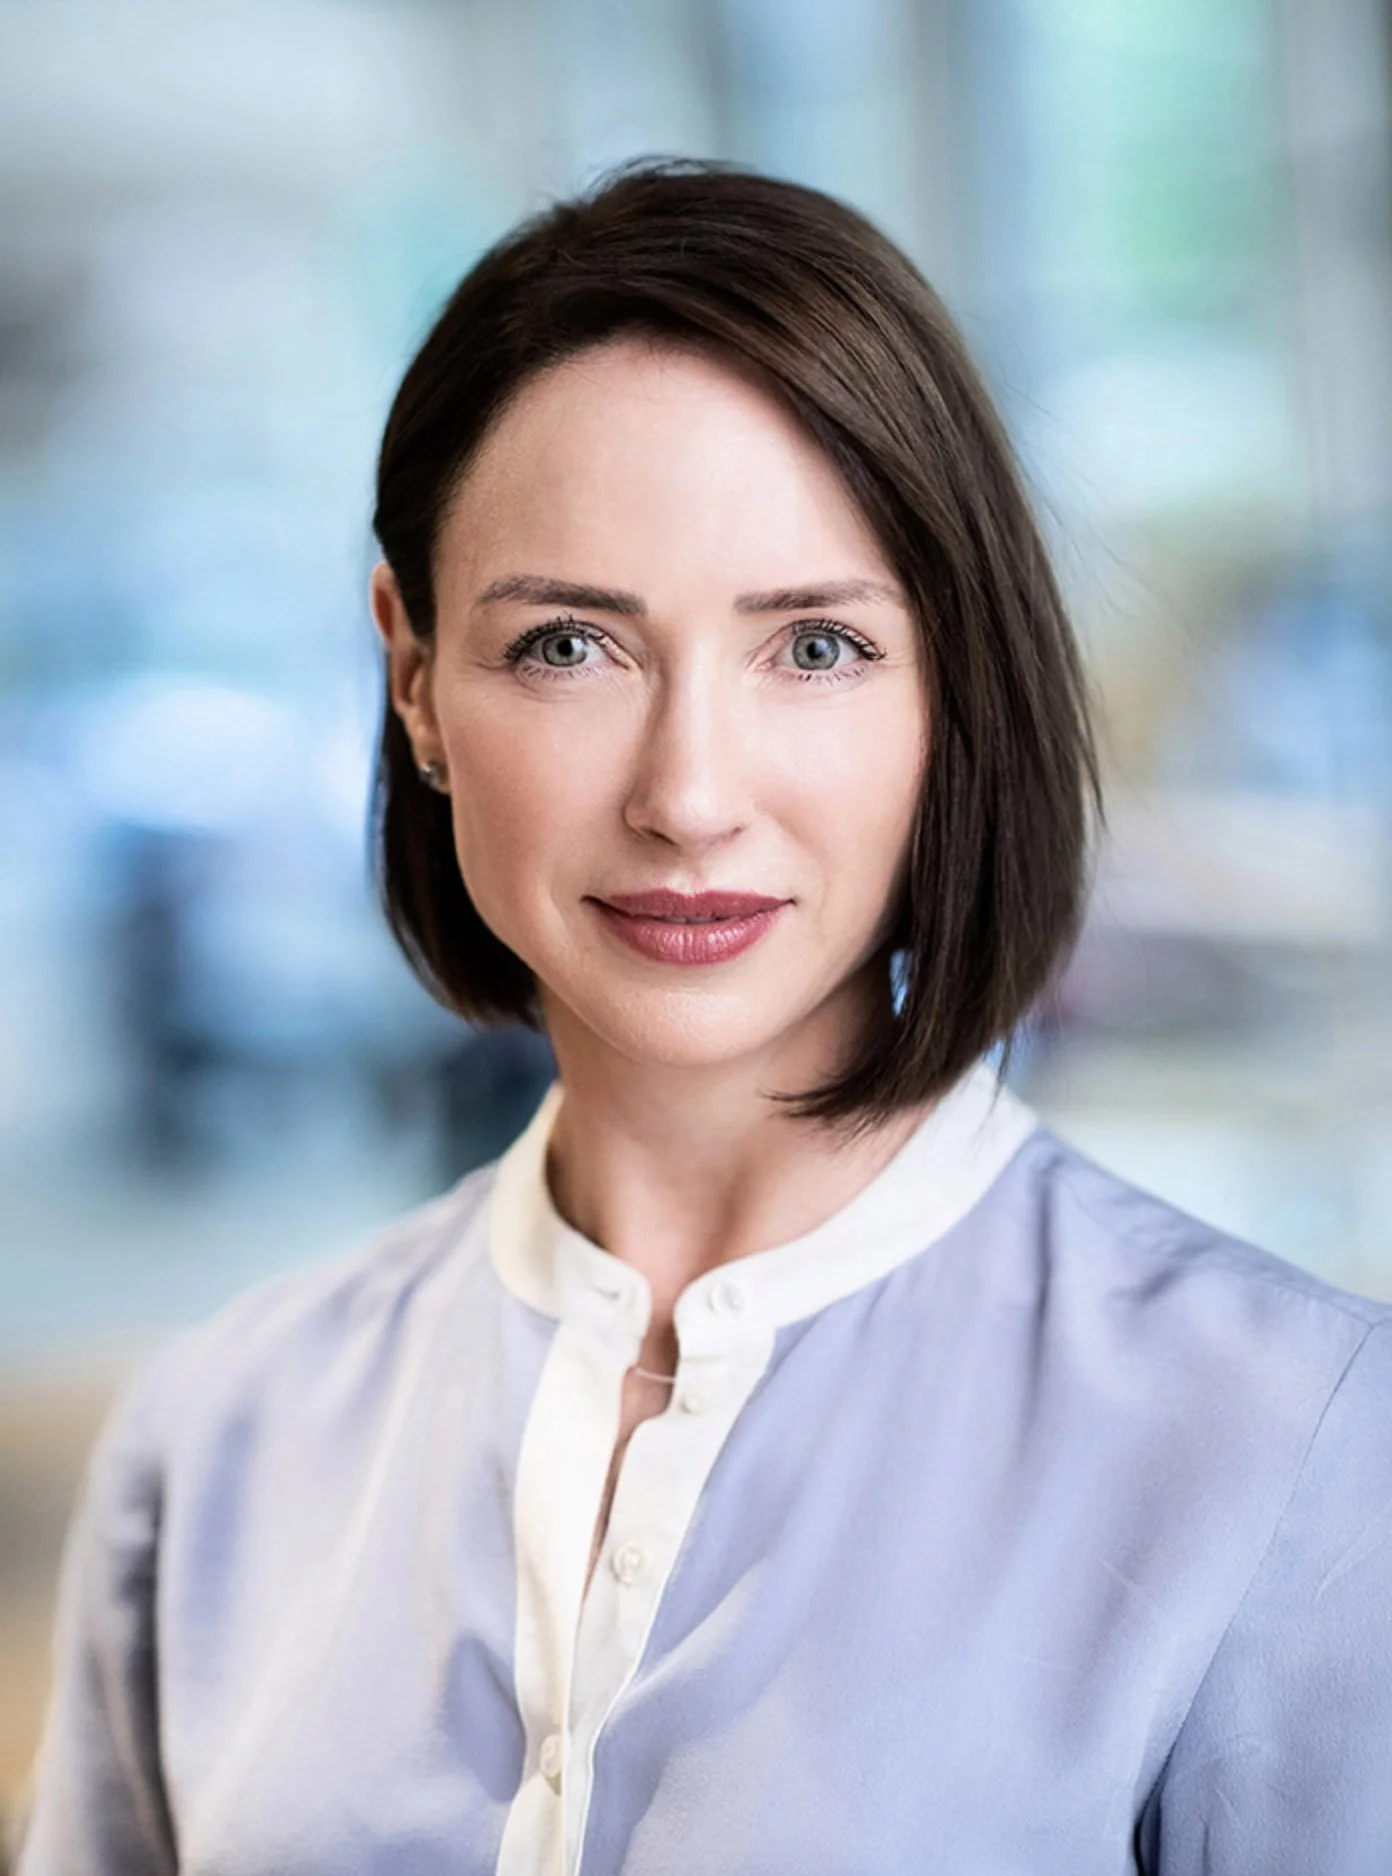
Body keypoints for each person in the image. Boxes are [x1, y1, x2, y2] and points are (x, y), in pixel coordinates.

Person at [19, 162, 1392, 1876]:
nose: (687, 795)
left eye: (813, 648)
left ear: (954, 687)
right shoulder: (220, 1437)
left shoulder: (1290, 1441)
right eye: (568, 648)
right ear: (414, 676)